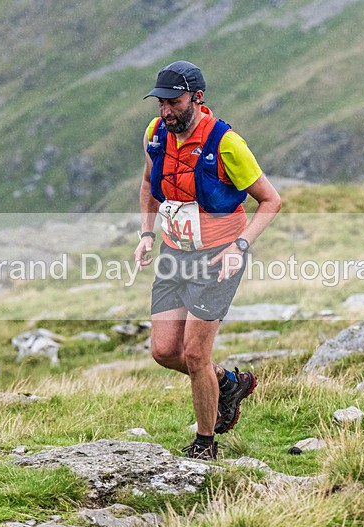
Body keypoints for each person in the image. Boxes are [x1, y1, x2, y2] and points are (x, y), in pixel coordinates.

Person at [134, 60, 282, 460]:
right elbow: (150, 183)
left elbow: (271, 201)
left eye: (174, 102)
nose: (166, 111)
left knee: (196, 353)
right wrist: (147, 234)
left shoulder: (227, 144)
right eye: (161, 102)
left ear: (197, 98)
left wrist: (241, 246)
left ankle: (205, 444)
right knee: (165, 351)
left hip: (218, 256)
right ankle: (228, 383)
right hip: (174, 252)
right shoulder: (155, 133)